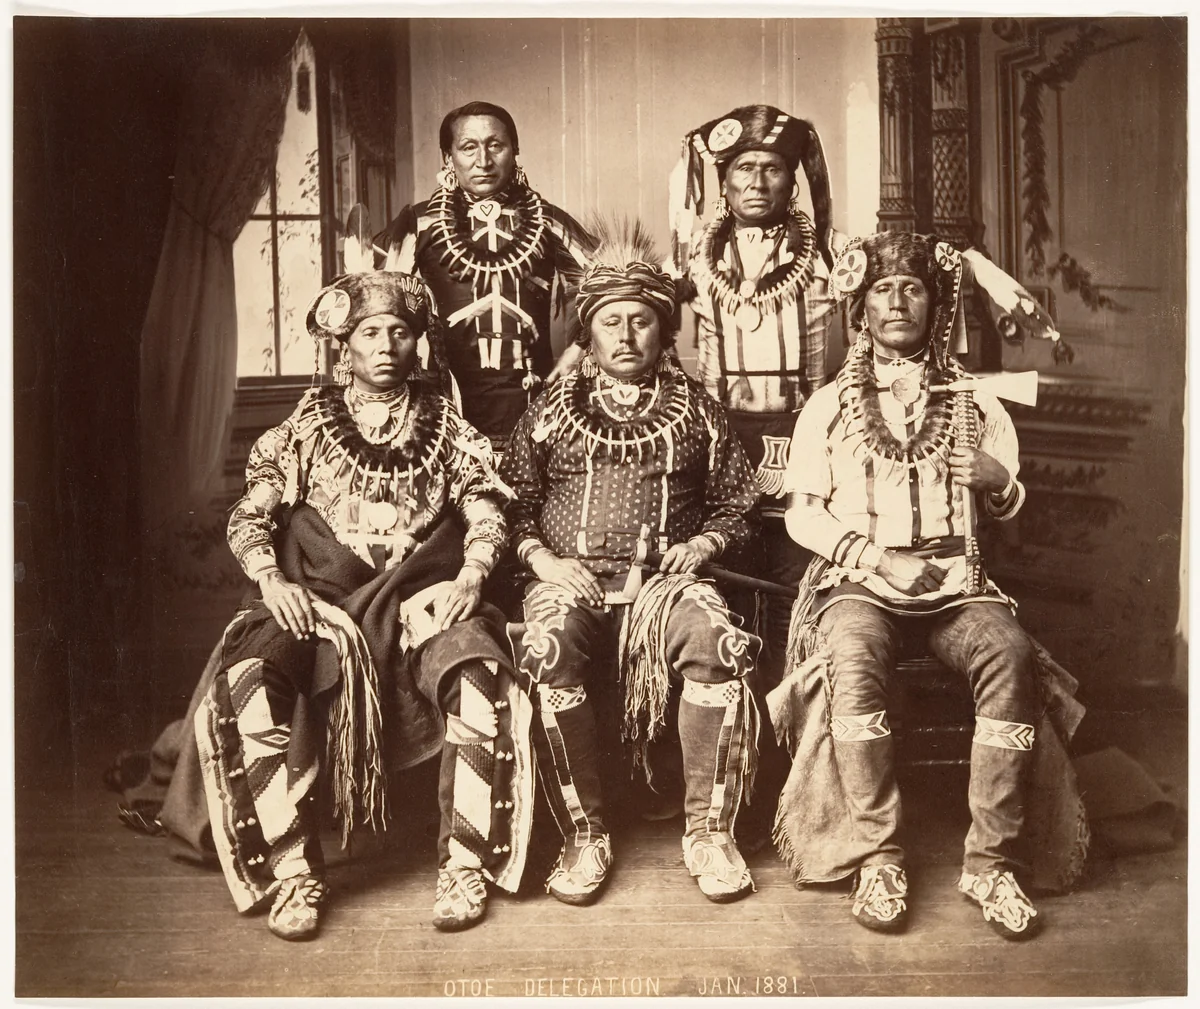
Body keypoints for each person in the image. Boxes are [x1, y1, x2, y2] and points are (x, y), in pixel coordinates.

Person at [155, 269, 534, 940]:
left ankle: (465, 862)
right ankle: (293, 868)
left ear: (419, 343)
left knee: (478, 674)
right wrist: (275, 582)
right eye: (369, 332)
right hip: (320, 594)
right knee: (249, 680)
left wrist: (470, 579)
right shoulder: (306, 425)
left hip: (422, 591)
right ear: (345, 346)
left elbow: (487, 515)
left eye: (399, 332)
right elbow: (251, 514)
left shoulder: (448, 428)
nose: (386, 345)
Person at [771, 231, 1088, 940]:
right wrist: (877, 560)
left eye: (913, 287)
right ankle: (878, 854)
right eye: (883, 289)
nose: (898, 301)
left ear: (935, 304)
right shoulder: (828, 405)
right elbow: (803, 514)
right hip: (860, 580)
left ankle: (991, 860)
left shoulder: (976, 402)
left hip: (958, 584)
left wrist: (999, 481)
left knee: (1006, 651)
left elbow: (1012, 503)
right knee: (852, 654)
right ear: (861, 308)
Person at [500, 221, 763, 906]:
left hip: (665, 588)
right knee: (548, 645)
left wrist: (702, 547)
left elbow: (737, 504)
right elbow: (513, 506)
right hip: (571, 582)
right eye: (611, 321)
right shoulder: (548, 411)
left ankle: (710, 831)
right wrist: (544, 560)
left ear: (663, 330)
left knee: (717, 641)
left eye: (641, 321)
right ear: (587, 331)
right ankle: (583, 834)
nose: (625, 335)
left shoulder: (698, 411)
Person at [379, 100, 596, 454]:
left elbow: (616, 284)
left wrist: (579, 350)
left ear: (515, 152)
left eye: (496, 145)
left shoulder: (546, 219)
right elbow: (375, 300)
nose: (483, 160)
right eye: (468, 147)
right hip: (447, 407)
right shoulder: (419, 225)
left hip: (536, 401)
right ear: (448, 158)